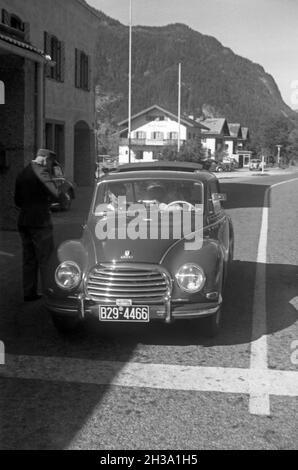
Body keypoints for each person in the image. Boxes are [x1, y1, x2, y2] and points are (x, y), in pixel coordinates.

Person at [14, 149, 63, 302]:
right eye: (50, 163)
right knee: (46, 258)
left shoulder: (23, 172)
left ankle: (29, 292)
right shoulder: (41, 172)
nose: (49, 166)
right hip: (40, 221)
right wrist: (58, 179)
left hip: (24, 220)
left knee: (29, 258)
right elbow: (56, 194)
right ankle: (50, 292)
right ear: (45, 160)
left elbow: (17, 200)